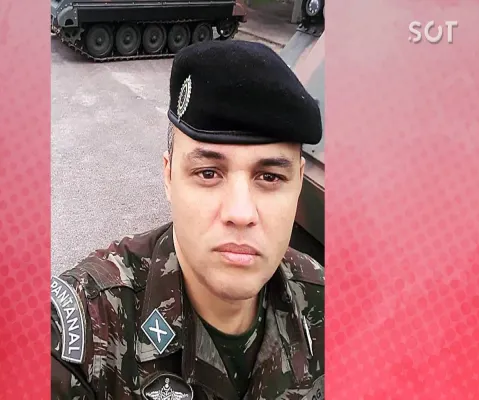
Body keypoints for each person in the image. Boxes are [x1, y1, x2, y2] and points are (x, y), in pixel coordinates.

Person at [51, 39, 325, 400]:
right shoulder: (90, 327)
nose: (240, 213)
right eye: (208, 173)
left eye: (270, 177)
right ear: (168, 177)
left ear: (299, 183)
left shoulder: (325, 303)